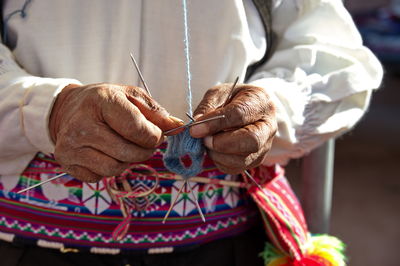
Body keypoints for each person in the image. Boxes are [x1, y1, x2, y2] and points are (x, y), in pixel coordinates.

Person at [0, 0, 383, 265]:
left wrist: (275, 105)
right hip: (25, 248)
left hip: (227, 248)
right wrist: (48, 109)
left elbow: (334, 56)